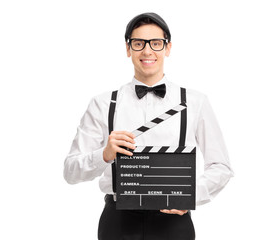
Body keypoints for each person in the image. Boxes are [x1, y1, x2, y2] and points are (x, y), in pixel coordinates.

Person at [64, 12, 233, 240]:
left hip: (175, 222)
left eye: (155, 43)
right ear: (128, 49)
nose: (147, 51)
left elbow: (221, 166)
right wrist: (104, 155)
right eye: (138, 43)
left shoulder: (195, 102)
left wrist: (191, 196)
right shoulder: (102, 104)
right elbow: (70, 171)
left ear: (168, 47)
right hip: (118, 222)